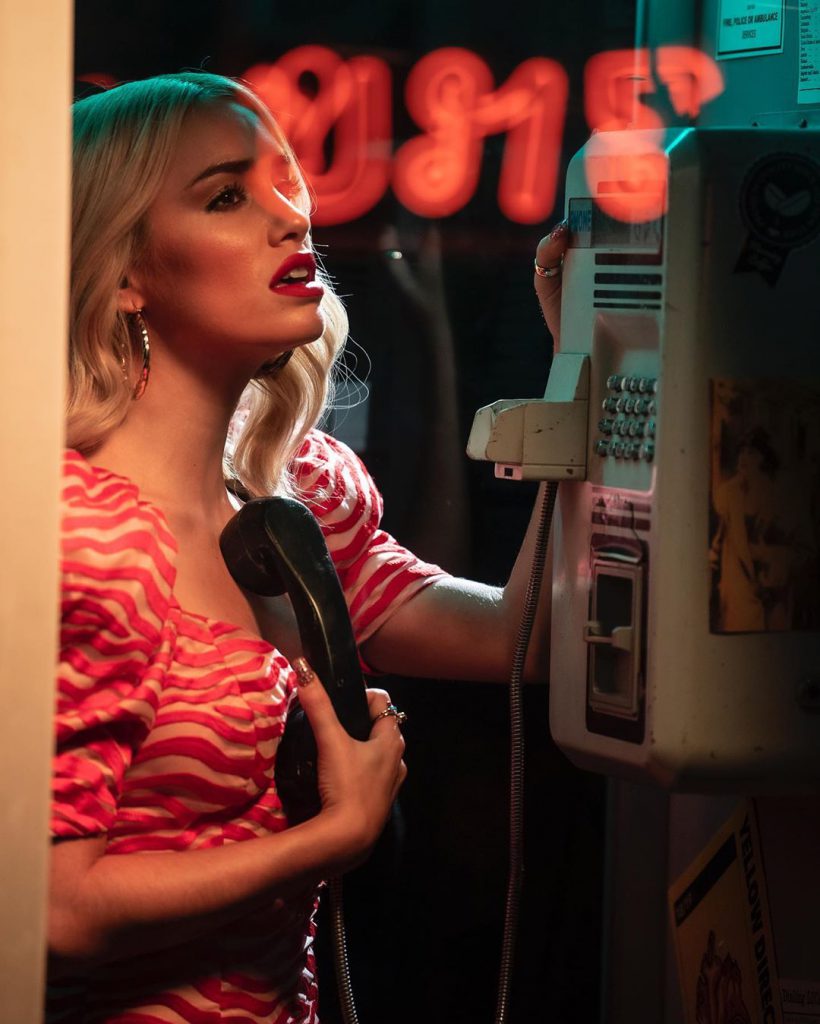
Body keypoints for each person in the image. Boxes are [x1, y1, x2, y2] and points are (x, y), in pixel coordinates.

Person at [50, 71, 567, 1023]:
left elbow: (526, 638)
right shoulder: (80, 533)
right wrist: (331, 841)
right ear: (124, 273)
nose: (292, 218)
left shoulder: (291, 496)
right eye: (225, 197)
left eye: (284, 181)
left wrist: (585, 358)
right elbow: (52, 912)